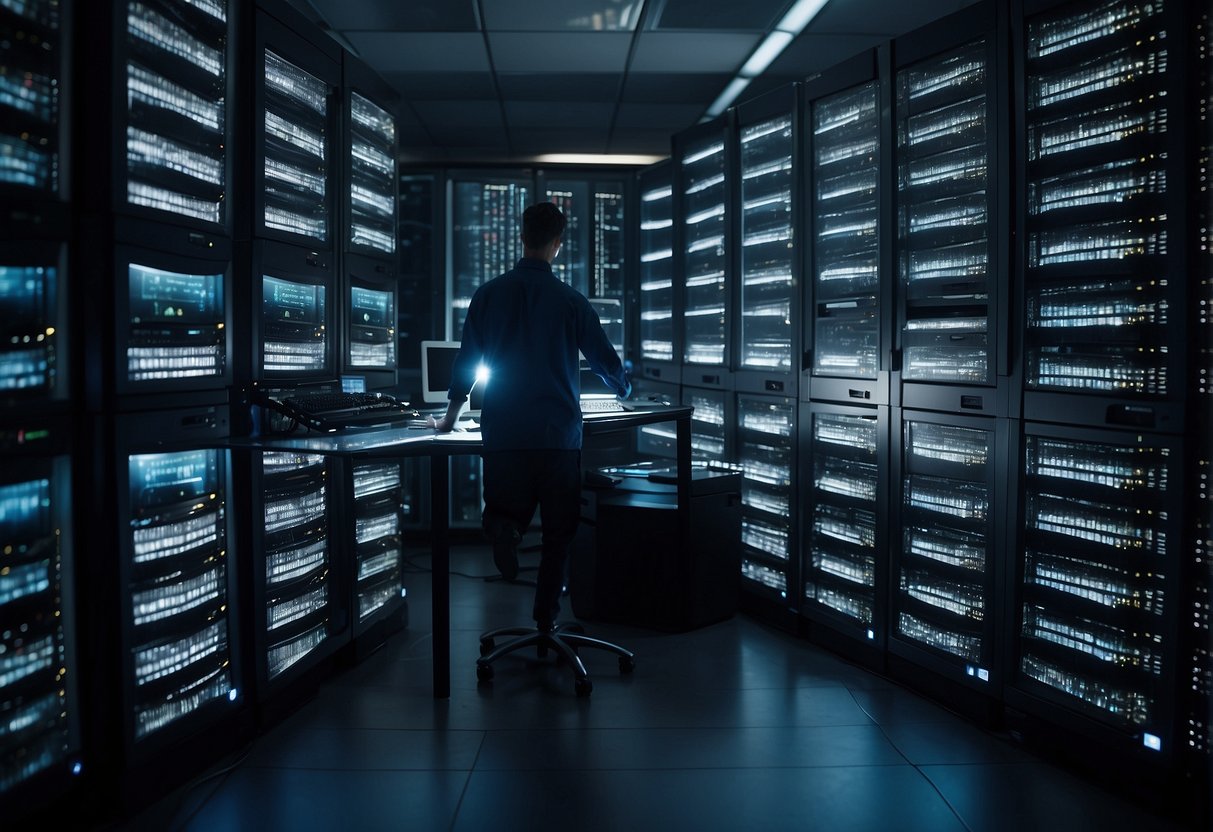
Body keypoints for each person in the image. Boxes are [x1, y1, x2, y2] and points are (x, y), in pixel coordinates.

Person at [427, 201, 630, 630]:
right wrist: (623, 390)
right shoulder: (571, 301)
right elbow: (604, 360)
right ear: (557, 244)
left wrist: (448, 418)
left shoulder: (488, 295)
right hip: (557, 437)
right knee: (559, 534)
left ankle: (504, 529)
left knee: (505, 508)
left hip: (504, 434)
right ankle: (545, 618)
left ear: (522, 237)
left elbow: (466, 362)